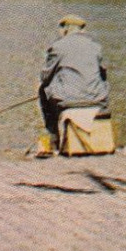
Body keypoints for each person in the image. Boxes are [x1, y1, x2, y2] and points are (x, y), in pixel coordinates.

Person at [37, 14, 110, 154]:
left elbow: (44, 77)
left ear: (66, 29)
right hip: (98, 99)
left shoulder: (58, 47)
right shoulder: (96, 47)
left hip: (69, 100)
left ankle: (53, 135)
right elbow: (103, 75)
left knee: (42, 90)